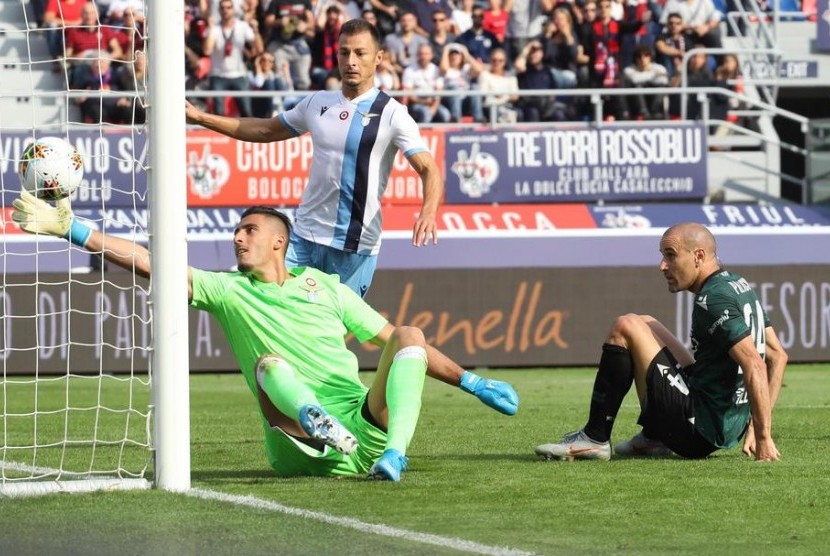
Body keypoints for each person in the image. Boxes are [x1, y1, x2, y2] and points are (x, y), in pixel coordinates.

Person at [12, 198, 521, 480]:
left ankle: (395, 453)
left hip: (362, 428)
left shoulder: (326, 287)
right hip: (296, 445)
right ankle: (315, 423)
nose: (238, 237)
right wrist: (73, 229)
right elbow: (152, 262)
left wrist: (470, 381)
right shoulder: (227, 289)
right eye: (236, 231)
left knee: (409, 333)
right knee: (269, 366)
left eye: (249, 230)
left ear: (280, 240)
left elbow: (402, 347)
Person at [186, 19, 443, 298]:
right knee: (266, 305)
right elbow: (263, 129)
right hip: (303, 238)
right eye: (344, 53)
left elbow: (428, 168)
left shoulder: (393, 114)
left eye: (360, 53)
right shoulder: (318, 103)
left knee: (327, 334)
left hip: (353, 247)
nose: (351, 61)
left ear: (378, 57)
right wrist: (200, 117)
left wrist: (428, 211)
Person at [535, 223, 786, 462]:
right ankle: (655, 437)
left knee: (625, 326)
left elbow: (756, 363)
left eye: (671, 255)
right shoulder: (737, 283)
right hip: (721, 422)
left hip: (698, 431)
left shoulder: (714, 299)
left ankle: (594, 438)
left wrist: (763, 436)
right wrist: (752, 426)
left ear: (698, 256)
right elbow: (778, 355)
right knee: (645, 322)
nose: (662, 266)